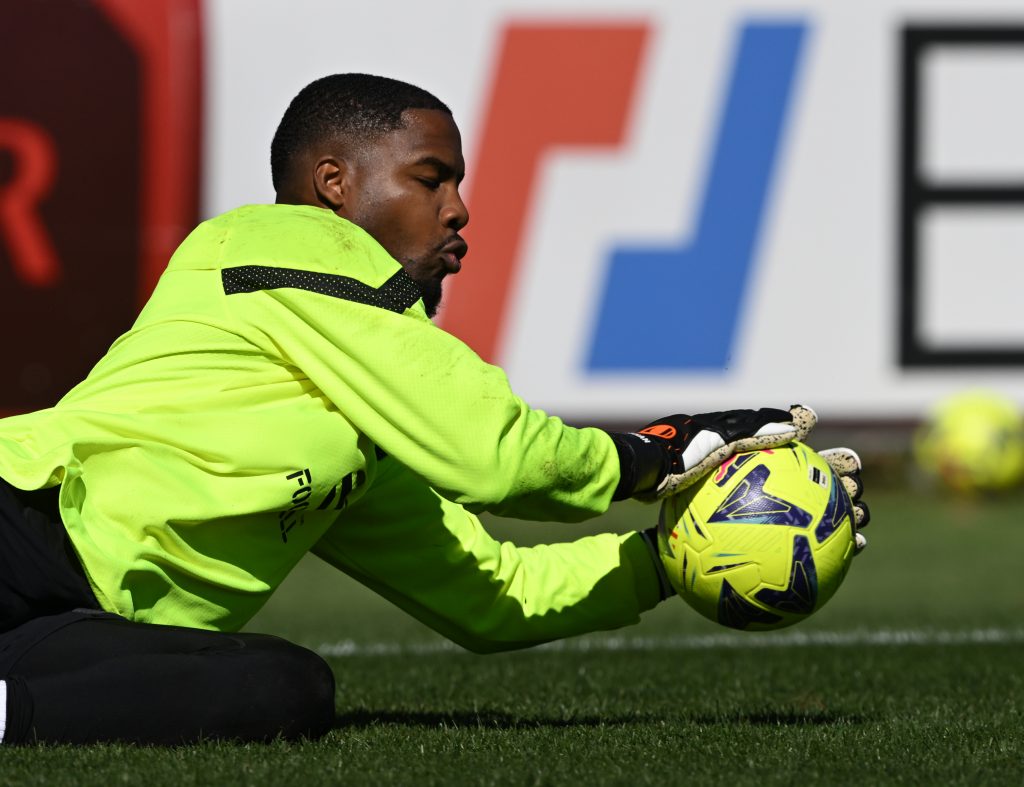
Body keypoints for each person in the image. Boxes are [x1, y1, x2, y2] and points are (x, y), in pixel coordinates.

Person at [0, 74, 868, 745]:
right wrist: (655, 455)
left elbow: (494, 595)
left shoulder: (358, 436)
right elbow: (491, 455)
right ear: (333, 184)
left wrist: (675, 556)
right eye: (430, 178)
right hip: (19, 524)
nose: (459, 210)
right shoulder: (272, 240)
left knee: (286, 689)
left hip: (69, 620)